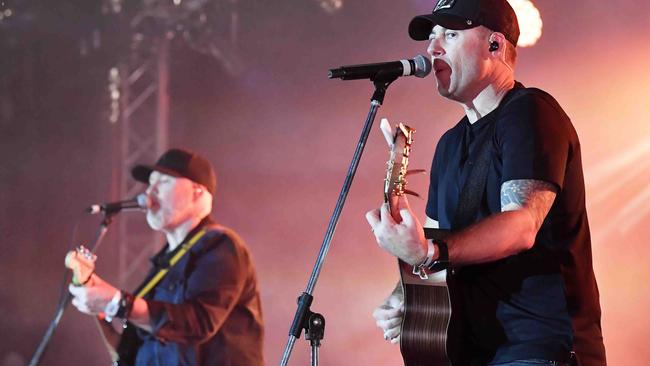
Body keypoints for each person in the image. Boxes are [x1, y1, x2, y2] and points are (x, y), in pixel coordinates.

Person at [365, 0, 607, 365]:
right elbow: (434, 245)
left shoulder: (530, 113)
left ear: (494, 45)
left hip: (538, 348)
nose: (432, 49)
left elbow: (521, 225)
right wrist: (406, 296)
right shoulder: (449, 145)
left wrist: (429, 254)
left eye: (449, 34)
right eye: (431, 36)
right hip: (473, 351)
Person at [69, 148, 264, 366]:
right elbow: (131, 352)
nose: (148, 193)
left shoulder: (221, 246)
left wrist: (117, 302)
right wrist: (101, 308)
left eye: (162, 182)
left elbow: (199, 323)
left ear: (197, 192)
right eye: (150, 184)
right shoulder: (164, 262)